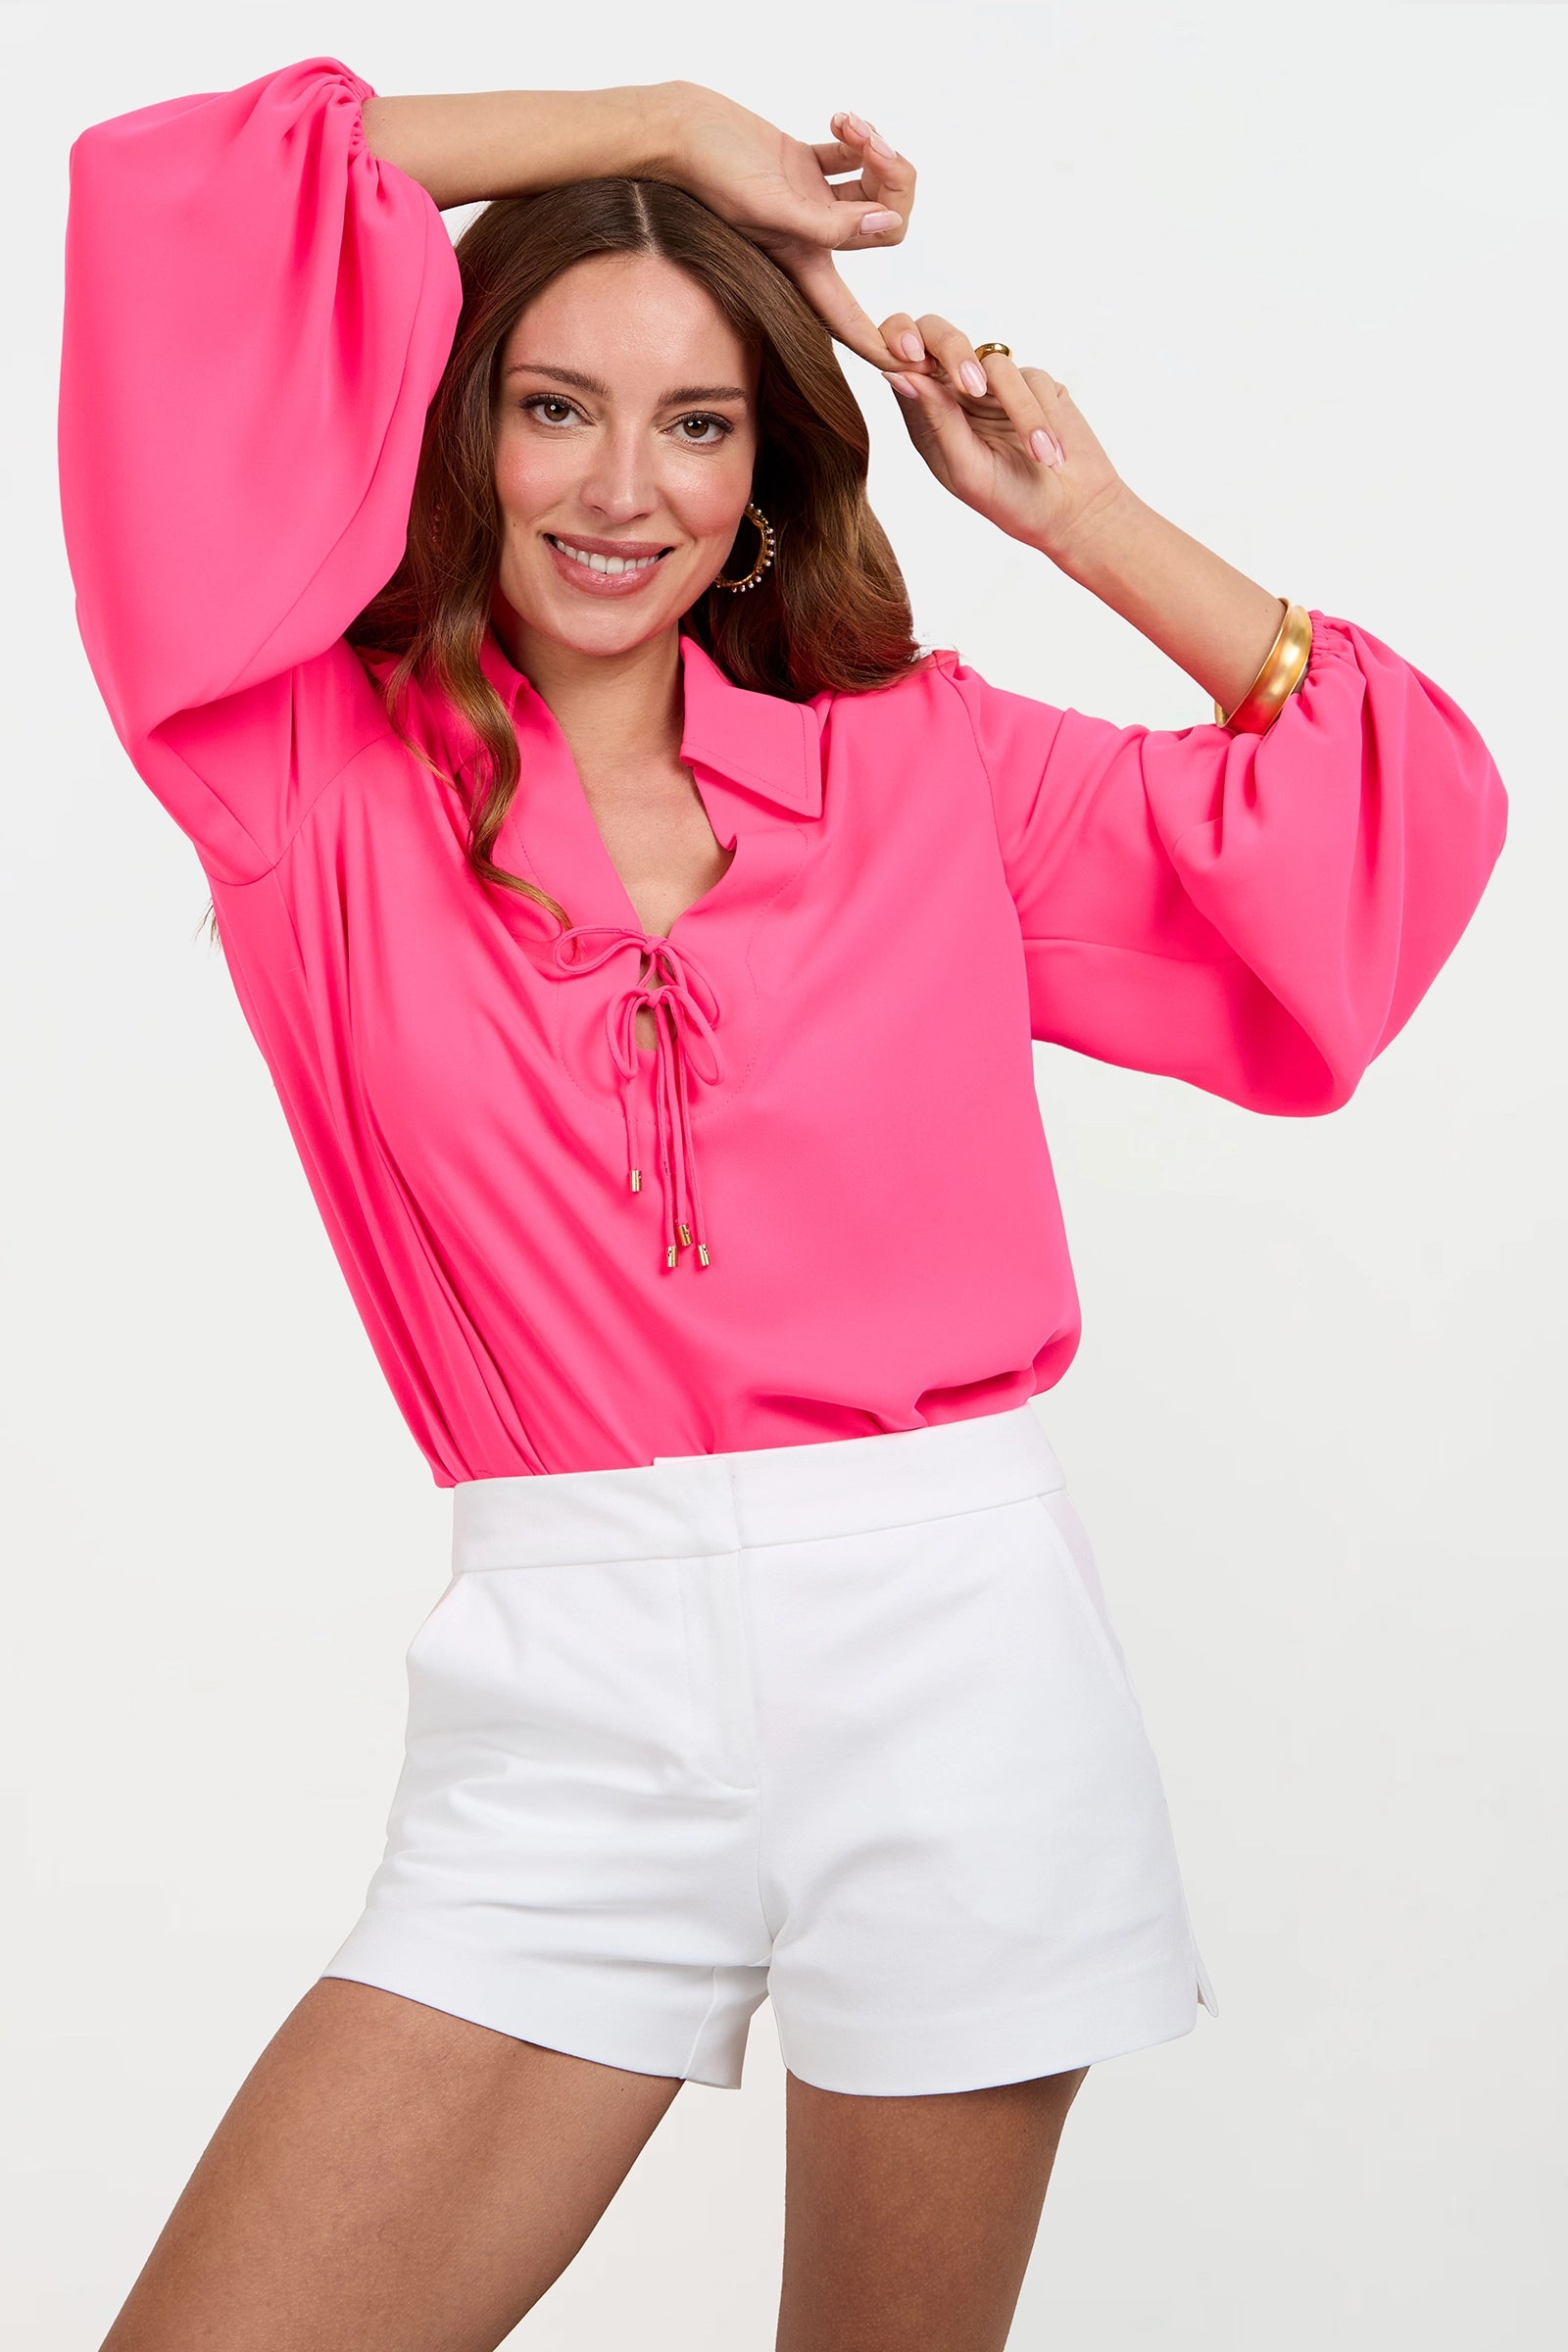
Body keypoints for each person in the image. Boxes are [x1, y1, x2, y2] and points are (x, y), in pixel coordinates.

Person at [58, 54, 1508, 2352]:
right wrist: (656, 120)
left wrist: (1081, 515)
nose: (618, 488)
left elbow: (1382, 824)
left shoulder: (924, 775)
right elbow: (164, 207)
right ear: (462, 438)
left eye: (698, 424)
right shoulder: (306, 784)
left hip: (957, 1665)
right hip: (565, 1700)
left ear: (760, 483)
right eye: (552, 409)